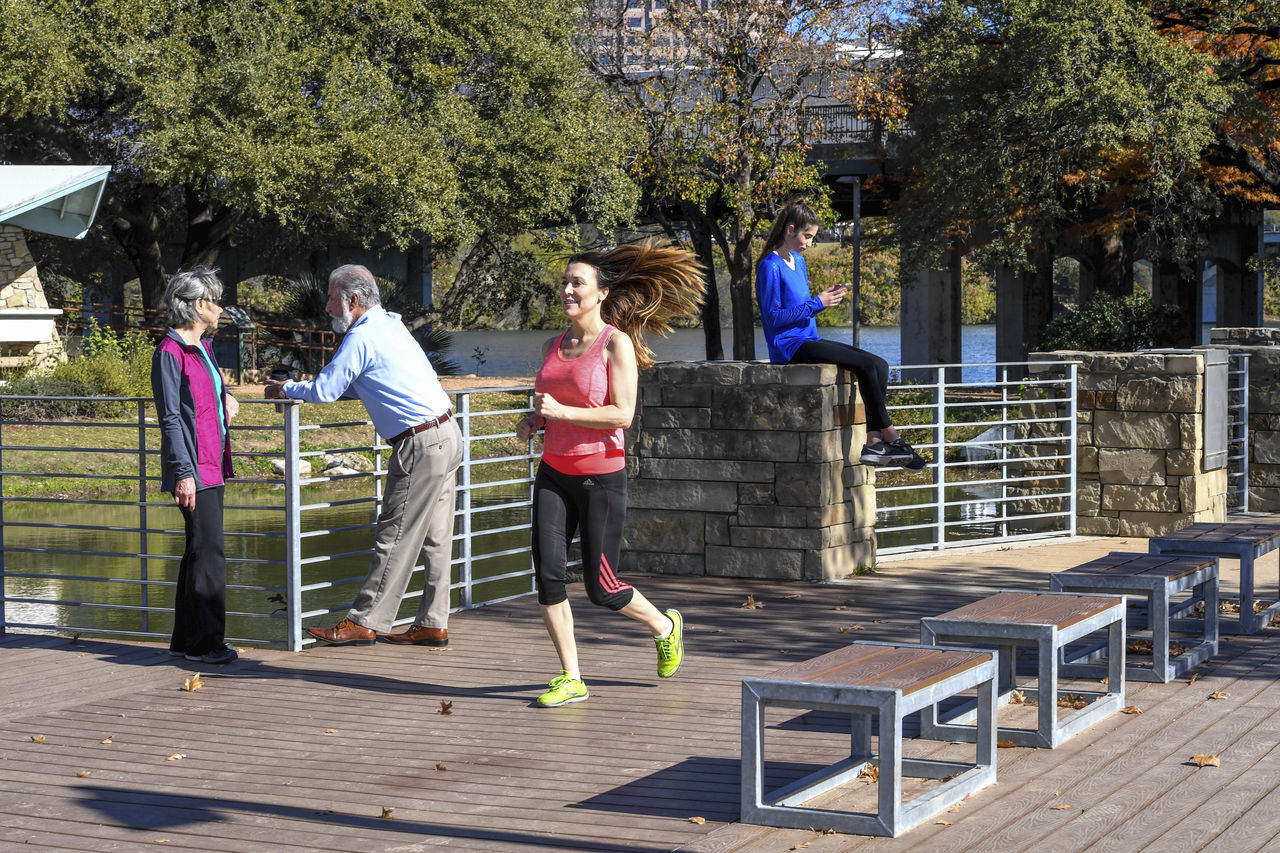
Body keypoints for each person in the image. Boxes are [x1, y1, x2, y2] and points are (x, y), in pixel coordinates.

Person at [515, 239, 704, 708]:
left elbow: (622, 415)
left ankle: (664, 626)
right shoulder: (551, 345)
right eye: (564, 282)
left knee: (603, 587)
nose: (567, 289)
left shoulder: (616, 343)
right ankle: (571, 677)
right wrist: (536, 420)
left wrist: (559, 409)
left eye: (577, 282)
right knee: (549, 576)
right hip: (554, 473)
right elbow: (554, 405)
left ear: (601, 293)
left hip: (600, 477)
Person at [264, 265, 462, 648]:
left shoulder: (363, 336)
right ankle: (433, 622)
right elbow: (366, 382)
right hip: (446, 433)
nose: (327, 306)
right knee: (436, 538)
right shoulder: (390, 324)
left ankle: (365, 620)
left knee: (394, 534)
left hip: (420, 444)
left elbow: (325, 390)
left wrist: (285, 387)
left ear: (352, 300)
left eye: (332, 298)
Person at [755, 197, 928, 470]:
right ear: (790, 231)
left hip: (808, 339)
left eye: (812, 237)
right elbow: (773, 317)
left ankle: (873, 442)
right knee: (865, 365)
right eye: (807, 236)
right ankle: (893, 438)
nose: (810, 242)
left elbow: (801, 308)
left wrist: (824, 301)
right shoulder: (769, 265)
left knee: (879, 365)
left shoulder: (798, 261)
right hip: (788, 347)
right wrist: (817, 303)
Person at [152, 267, 240, 665]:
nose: (222, 309)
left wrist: (228, 398)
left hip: (213, 462)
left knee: (198, 551)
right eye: (217, 301)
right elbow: (170, 417)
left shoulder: (202, 349)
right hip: (195, 468)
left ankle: (186, 641)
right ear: (200, 304)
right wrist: (183, 473)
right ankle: (207, 644)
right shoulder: (170, 352)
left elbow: (207, 395)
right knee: (210, 554)